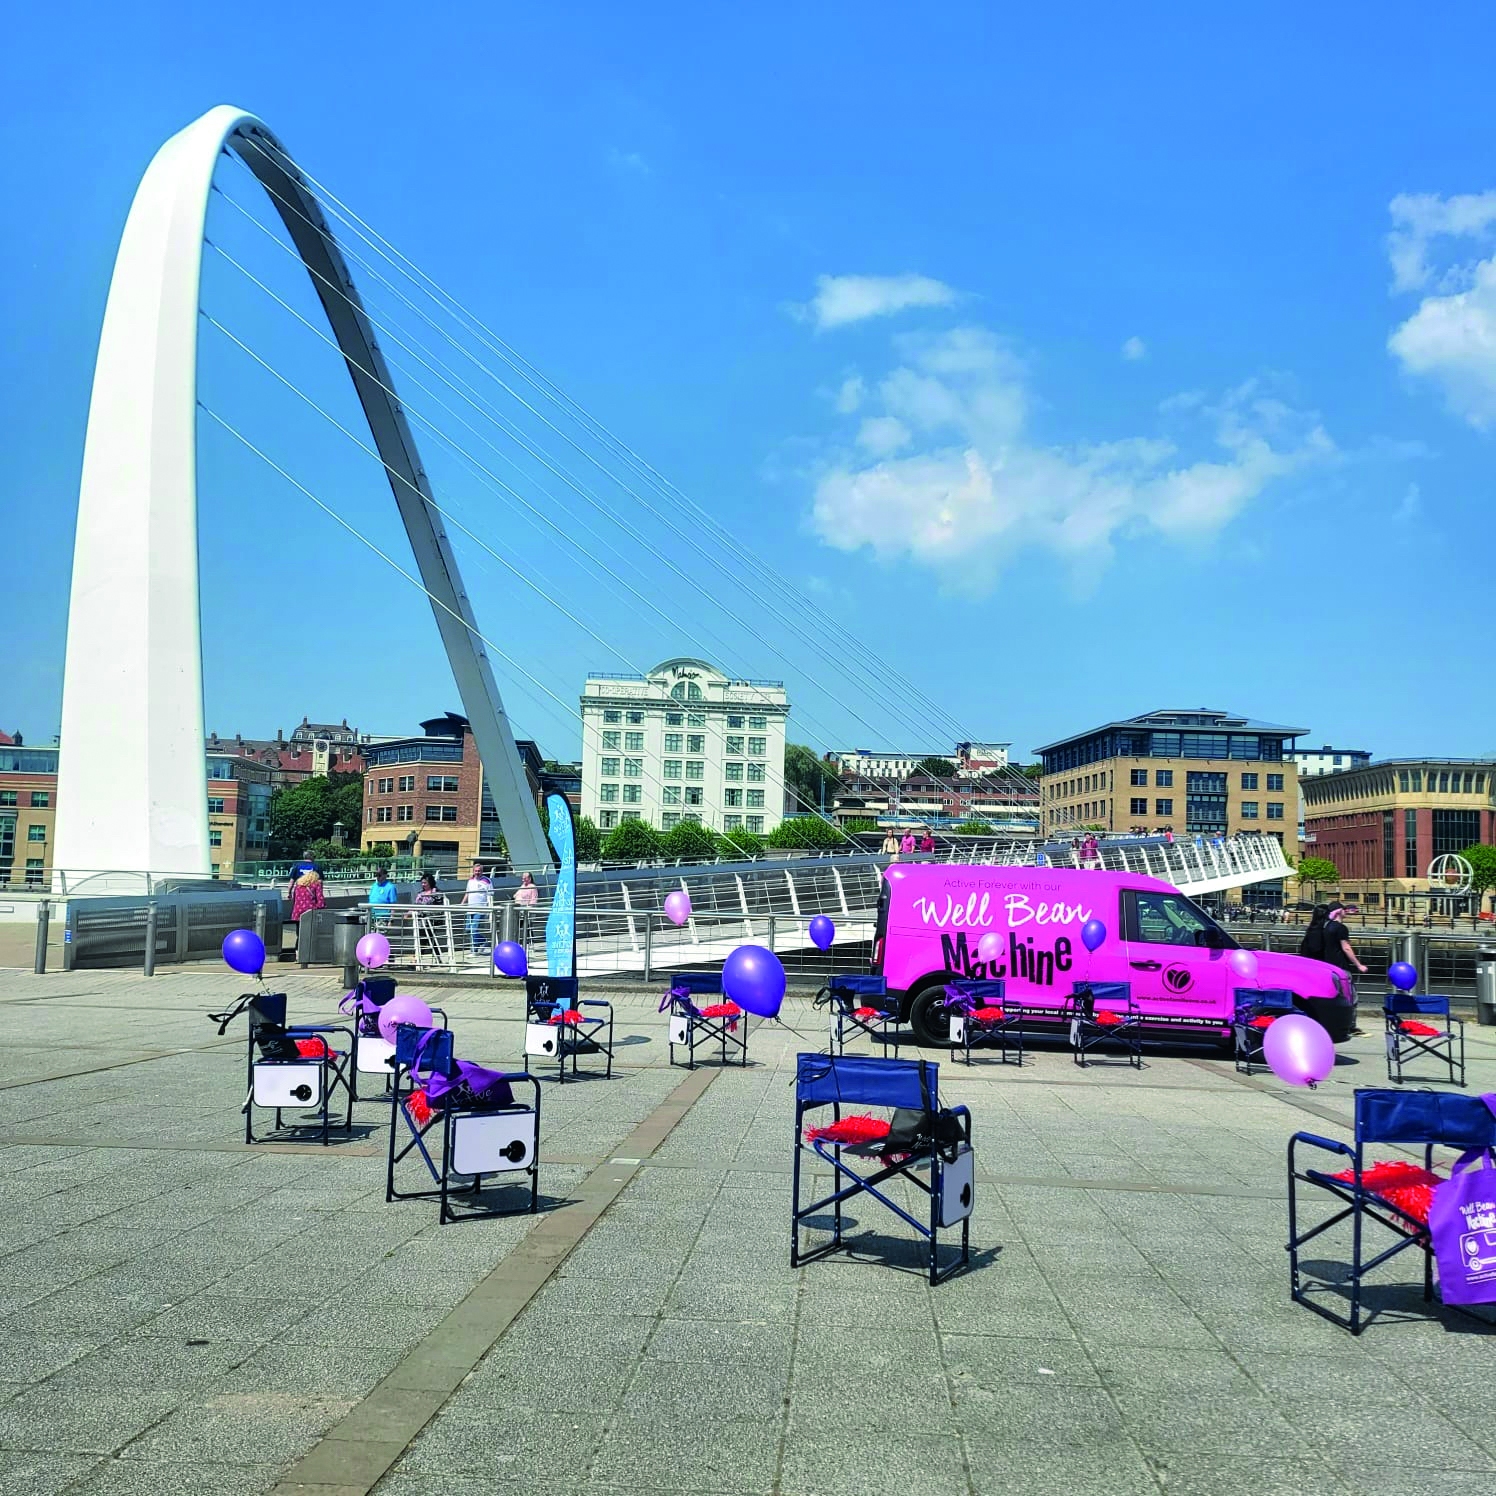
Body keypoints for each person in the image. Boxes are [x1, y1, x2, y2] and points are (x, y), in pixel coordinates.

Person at [1321, 902, 1369, 978]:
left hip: (1329, 964)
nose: (1345, 911)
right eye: (1343, 909)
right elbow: (1346, 948)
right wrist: (1359, 965)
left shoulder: (1327, 926)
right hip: (1340, 965)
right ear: (1339, 911)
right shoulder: (1341, 928)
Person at [288, 866, 325, 958]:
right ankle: (309, 954)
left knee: (299, 934)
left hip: (297, 913)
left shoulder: (298, 886)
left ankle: (298, 953)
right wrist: (321, 908)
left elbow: (295, 899)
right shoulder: (316, 885)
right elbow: (320, 900)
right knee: (311, 933)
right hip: (310, 913)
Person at [463, 862, 493, 953]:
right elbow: (467, 893)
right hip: (470, 909)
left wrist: (489, 909)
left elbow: (490, 895)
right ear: (473, 871)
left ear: (482, 871)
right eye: (475, 871)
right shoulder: (470, 881)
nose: (477, 872)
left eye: (479, 871)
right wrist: (462, 903)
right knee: (468, 929)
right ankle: (483, 941)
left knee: (474, 929)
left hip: (480, 909)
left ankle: (474, 950)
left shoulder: (487, 881)